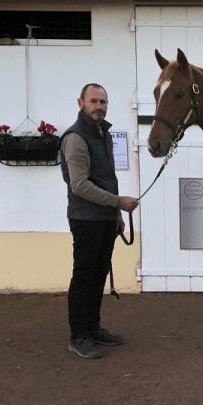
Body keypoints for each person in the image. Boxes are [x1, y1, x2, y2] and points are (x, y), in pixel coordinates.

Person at [60, 83, 139, 358]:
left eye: (103, 102)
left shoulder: (103, 133)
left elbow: (107, 179)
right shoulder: (75, 137)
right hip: (85, 219)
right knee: (84, 276)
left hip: (105, 219)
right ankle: (78, 336)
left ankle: (92, 329)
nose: (99, 106)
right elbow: (79, 185)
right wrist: (119, 203)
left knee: (99, 273)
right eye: (94, 101)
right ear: (81, 102)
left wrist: (115, 215)